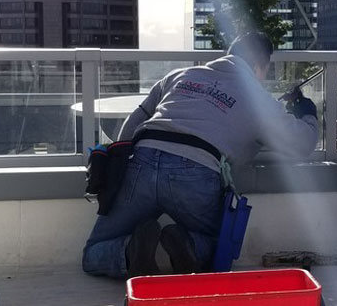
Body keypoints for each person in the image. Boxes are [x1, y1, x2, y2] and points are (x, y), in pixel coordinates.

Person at [82, 32, 318, 279]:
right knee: (222, 245)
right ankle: (188, 245)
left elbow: (134, 122)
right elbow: (301, 144)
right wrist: (307, 113)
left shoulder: (180, 75)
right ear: (261, 66)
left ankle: (129, 251)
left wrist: (121, 170)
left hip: (142, 160)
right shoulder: (259, 99)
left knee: (93, 252)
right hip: (196, 170)